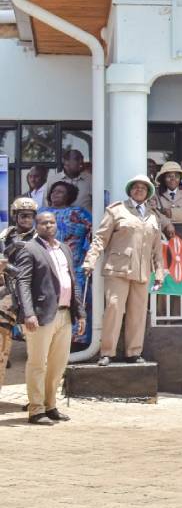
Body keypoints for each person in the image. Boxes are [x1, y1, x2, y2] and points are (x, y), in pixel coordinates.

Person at [83, 176, 166, 367]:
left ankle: (133, 352)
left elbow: (157, 249)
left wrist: (160, 272)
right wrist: (90, 261)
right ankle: (107, 352)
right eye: (135, 187)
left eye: (143, 188)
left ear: (148, 193)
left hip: (142, 270)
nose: (139, 190)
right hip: (118, 268)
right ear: (130, 190)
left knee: (137, 312)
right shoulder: (116, 210)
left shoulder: (153, 215)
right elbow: (100, 239)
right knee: (113, 308)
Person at [13, 211, 85, 424]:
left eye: (51, 222)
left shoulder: (63, 248)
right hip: (41, 316)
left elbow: (73, 282)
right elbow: (22, 283)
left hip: (64, 314)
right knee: (37, 363)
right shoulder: (29, 249)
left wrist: (80, 313)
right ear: (37, 226)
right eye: (43, 223)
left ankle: (50, 405)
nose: (48, 226)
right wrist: (28, 313)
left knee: (57, 364)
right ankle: (36, 410)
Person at [42, 181, 93, 346]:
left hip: (74, 266)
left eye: (61, 192)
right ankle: (48, 340)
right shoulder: (42, 213)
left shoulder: (79, 213)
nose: (55, 194)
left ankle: (77, 341)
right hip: (46, 267)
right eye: (54, 191)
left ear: (69, 196)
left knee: (76, 302)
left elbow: (94, 231)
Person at [0, 197, 39, 376]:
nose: (26, 219)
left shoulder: (40, 236)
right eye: (22, 215)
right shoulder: (5, 235)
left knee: (33, 337)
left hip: (31, 290)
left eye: (29, 216)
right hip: (7, 290)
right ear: (15, 216)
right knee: (3, 333)